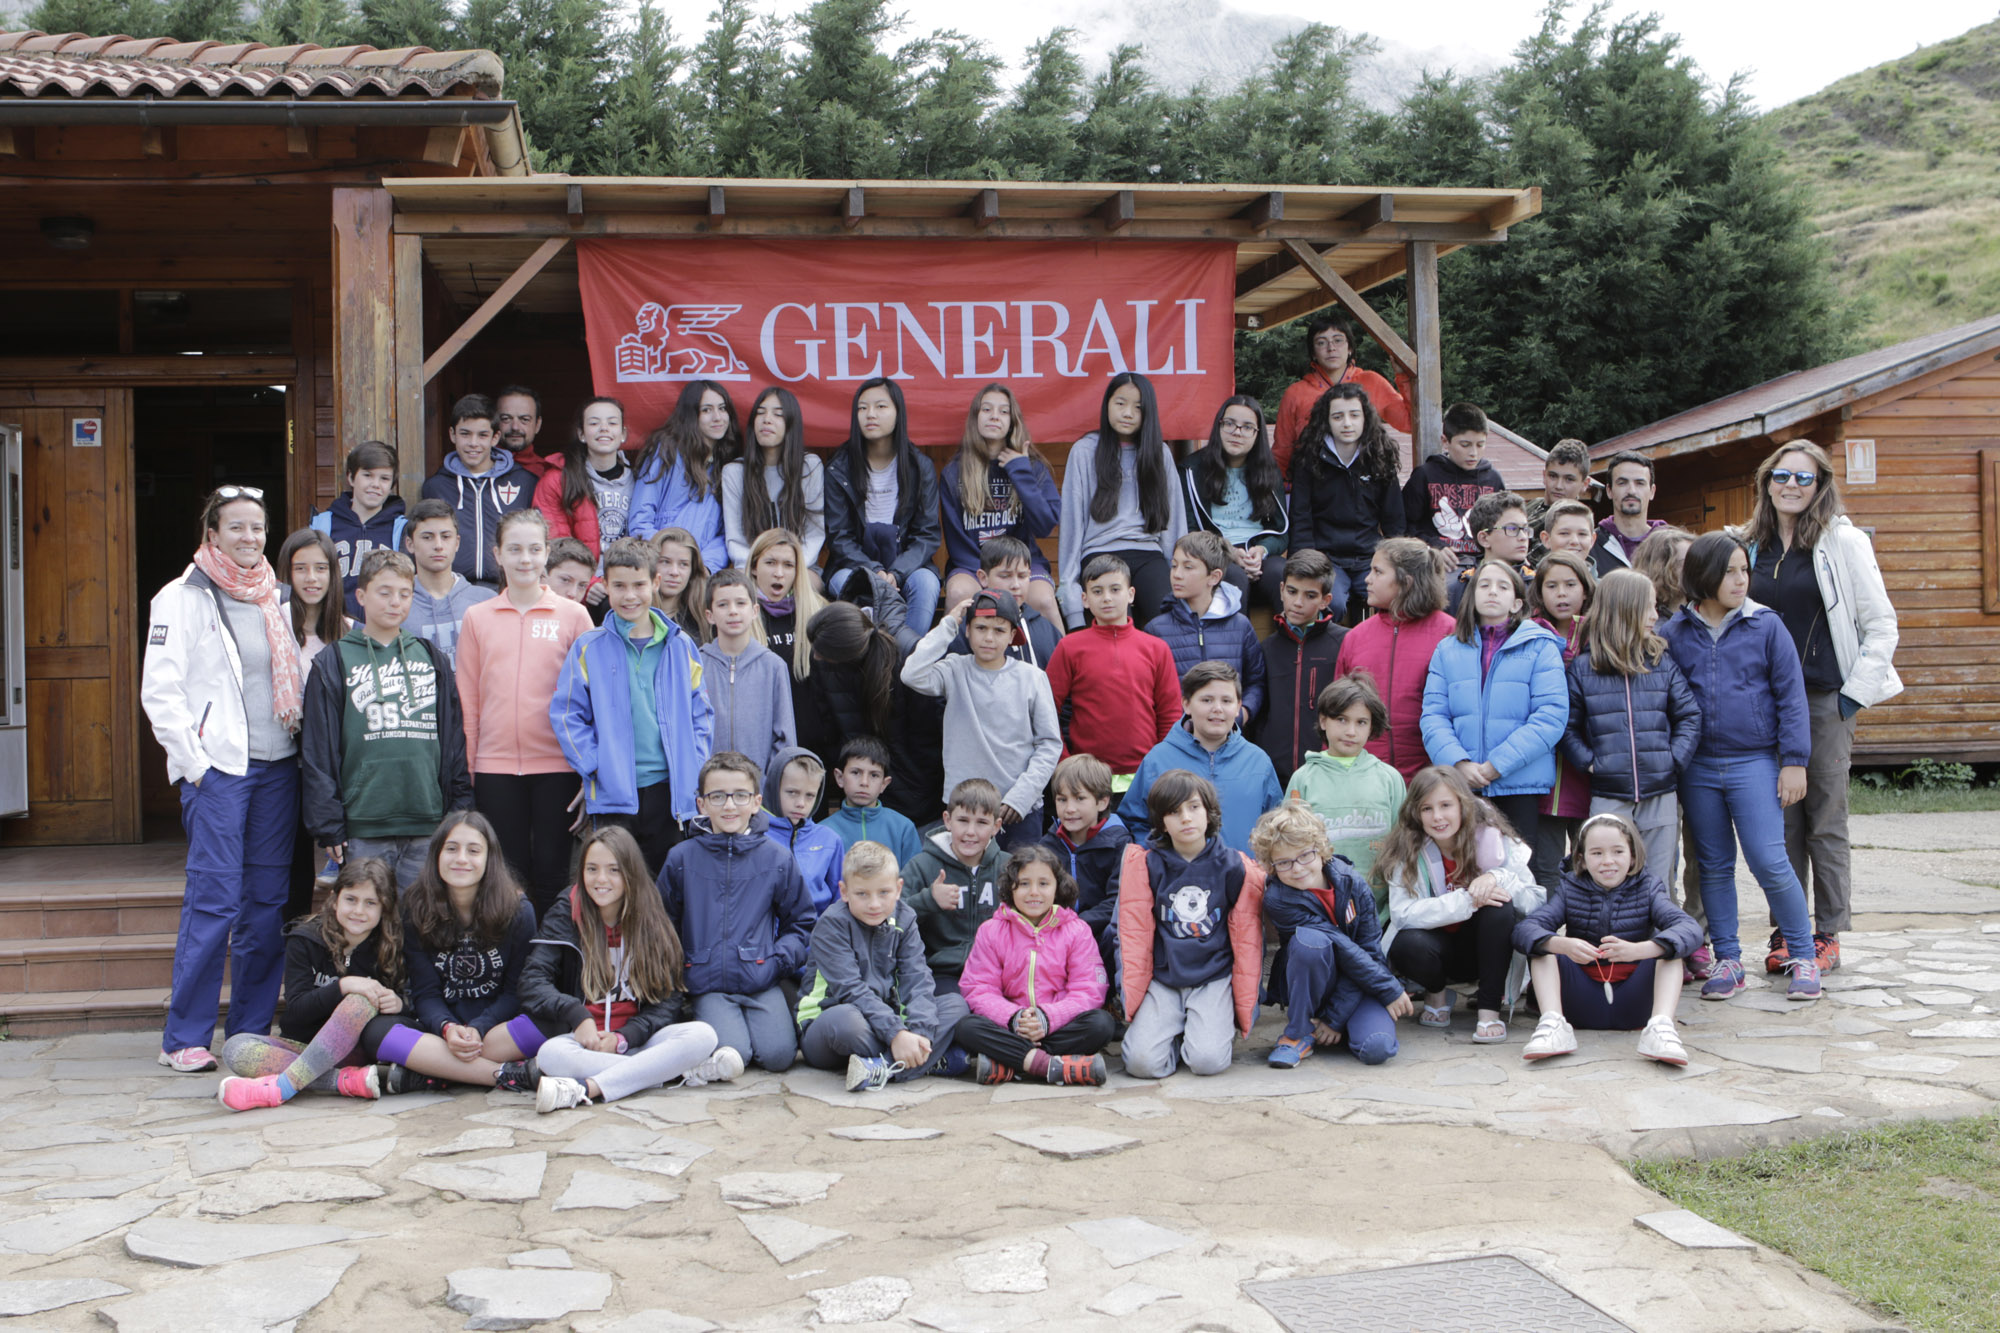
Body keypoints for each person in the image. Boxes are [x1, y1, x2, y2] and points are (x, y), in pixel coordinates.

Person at [142, 484, 305, 1073]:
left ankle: (249, 1032)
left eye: (256, 527)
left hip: (279, 769)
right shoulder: (182, 597)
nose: (249, 537)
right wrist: (196, 765)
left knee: (266, 905)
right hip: (221, 772)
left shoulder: (277, 598)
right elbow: (160, 691)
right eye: (235, 526)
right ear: (211, 533)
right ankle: (184, 1037)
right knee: (213, 901)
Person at [1742, 440, 1901, 976]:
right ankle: (1788, 930)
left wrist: (1851, 696)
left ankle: (1827, 932)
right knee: (1780, 824)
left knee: (1824, 821)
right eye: (1782, 475)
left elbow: (1882, 625)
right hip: (1762, 704)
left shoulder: (1842, 542)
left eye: (1803, 478)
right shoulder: (1750, 545)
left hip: (1822, 699)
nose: (1791, 485)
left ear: (1820, 485)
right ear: (1767, 482)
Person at [1662, 531, 1820, 1003]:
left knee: (1770, 860)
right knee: (1712, 865)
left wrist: (1794, 762)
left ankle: (1804, 956)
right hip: (1697, 768)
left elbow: (1791, 697)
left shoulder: (1766, 626)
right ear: (1703, 575)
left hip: (1755, 761)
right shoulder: (1674, 632)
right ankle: (1728, 960)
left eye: (1743, 570)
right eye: (1728, 571)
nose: (1740, 580)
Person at [522, 825, 741, 1112]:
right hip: (586, 1045)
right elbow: (533, 980)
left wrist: (624, 1038)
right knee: (551, 1054)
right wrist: (576, 1015)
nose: (601, 879)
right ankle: (675, 1072)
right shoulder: (568, 909)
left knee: (703, 1034)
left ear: (631, 873)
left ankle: (586, 1088)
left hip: (638, 1040)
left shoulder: (650, 915)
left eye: (614, 870)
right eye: (592, 869)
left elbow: (669, 999)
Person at [302, 549, 473, 891]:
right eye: (384, 592)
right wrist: (329, 824)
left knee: (420, 917)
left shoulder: (432, 657)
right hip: (363, 825)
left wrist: (457, 811)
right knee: (368, 916)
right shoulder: (333, 661)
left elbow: (454, 740)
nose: (395, 602)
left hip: (427, 821)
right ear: (361, 596)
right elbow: (318, 751)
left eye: (404, 593)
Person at [550, 537, 715, 879]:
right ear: (605, 585)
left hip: (670, 791)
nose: (629, 596)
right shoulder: (588, 647)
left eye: (639, 585)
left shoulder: (681, 645)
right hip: (613, 794)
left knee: (666, 888)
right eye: (619, 586)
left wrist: (694, 765)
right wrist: (594, 765)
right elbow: (567, 714)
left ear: (655, 582)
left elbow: (701, 713)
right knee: (617, 883)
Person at [457, 509, 592, 918]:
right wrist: (471, 768)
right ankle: (511, 955)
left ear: (547, 553)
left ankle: (550, 953)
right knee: (505, 877)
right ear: (497, 554)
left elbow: (592, 701)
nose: (525, 559)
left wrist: (588, 772)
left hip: (557, 768)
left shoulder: (573, 616)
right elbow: (468, 699)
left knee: (553, 874)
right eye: (514, 549)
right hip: (494, 769)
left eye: (534, 549)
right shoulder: (477, 618)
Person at [658, 751, 815, 1072]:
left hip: (760, 978)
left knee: (779, 1057)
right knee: (736, 1054)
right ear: (701, 804)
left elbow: (801, 922)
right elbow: (662, 923)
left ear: (756, 802)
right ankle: (697, 1021)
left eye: (740, 795)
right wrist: (681, 969)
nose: (729, 805)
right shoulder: (681, 858)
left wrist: (776, 961)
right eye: (717, 796)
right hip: (707, 983)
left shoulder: (776, 858)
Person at [216, 856, 409, 1108]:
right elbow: (296, 1011)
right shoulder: (304, 939)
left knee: (359, 1001)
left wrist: (400, 1003)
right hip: (304, 1046)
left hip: (358, 1051)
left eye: (370, 903)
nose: (359, 911)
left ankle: (281, 1088)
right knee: (235, 1047)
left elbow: (418, 1002)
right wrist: (342, 986)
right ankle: (343, 1081)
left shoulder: (395, 943)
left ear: (385, 908)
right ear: (334, 899)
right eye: (351, 899)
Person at [1515, 812, 1700, 1065]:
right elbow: (1525, 929)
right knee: (1542, 947)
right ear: (1581, 858)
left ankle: (1661, 1028)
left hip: (1635, 1002)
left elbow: (1689, 928)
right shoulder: (1569, 887)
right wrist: (1562, 944)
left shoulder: (1649, 886)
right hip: (1580, 1000)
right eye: (1597, 853)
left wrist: (1641, 950)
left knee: (1670, 951)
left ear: (1632, 855)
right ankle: (1554, 1024)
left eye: (1618, 852)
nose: (1607, 861)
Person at [1115, 770, 1266, 1077]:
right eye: (1174, 812)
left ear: (1209, 813)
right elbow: (1131, 930)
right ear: (1161, 822)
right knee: (1141, 1064)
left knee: (1207, 1061)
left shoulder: (1233, 866)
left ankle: (1206, 1031)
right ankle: (1174, 1036)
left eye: (1194, 807)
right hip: (1164, 978)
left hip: (1213, 977)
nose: (1186, 818)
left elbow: (1248, 928)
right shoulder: (1148, 864)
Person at [1378, 765, 1543, 1043]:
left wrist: (1498, 877)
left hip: (1486, 952)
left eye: (1446, 805)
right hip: (1437, 950)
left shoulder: (1492, 838)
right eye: (1427, 808)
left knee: (1498, 907)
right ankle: (1437, 993)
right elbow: (1402, 913)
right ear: (1415, 812)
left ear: (1463, 805)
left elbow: (1535, 900)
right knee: (1407, 943)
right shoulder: (1408, 847)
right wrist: (1467, 899)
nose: (1437, 816)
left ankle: (1489, 1011)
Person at [1562, 569, 1701, 890]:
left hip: (1660, 793)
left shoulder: (1661, 661)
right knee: (1607, 881)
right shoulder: (1583, 668)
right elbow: (1567, 727)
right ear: (1624, 609)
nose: (1655, 615)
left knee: (1658, 883)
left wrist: (1672, 760)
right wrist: (1590, 763)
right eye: (1648, 606)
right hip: (1608, 795)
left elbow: (1690, 715)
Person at [796, 841, 970, 1093]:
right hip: (830, 1023)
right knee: (847, 1021)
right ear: (844, 891)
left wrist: (919, 1031)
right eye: (862, 894)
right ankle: (924, 1059)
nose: (874, 904)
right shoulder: (831, 925)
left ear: (898, 889)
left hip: (887, 1019)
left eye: (884, 892)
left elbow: (917, 980)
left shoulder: (905, 918)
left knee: (955, 1004)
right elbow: (851, 990)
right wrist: (897, 1034)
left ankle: (882, 1067)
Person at [1420, 558, 1568, 852]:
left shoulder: (1541, 647)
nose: (1492, 591)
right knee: (1463, 865)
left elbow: (1551, 715)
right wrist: (1458, 763)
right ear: (1472, 596)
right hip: (1462, 784)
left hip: (1518, 783)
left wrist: (1497, 765)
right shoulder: (1447, 649)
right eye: (1484, 585)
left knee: (1515, 869)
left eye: (1502, 587)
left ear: (1516, 603)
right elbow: (1434, 715)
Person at [1252, 800, 1410, 1068]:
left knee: (1377, 1048)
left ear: (1320, 849)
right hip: (1314, 981)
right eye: (1284, 862)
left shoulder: (1352, 882)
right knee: (1312, 942)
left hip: (1358, 983)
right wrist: (1388, 987)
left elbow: (1369, 952)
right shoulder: (1279, 898)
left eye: (1305, 855)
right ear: (1271, 866)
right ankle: (1299, 1032)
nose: (1297, 868)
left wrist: (1335, 1018)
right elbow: (1337, 944)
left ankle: (1340, 1026)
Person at [903, 591, 1063, 848]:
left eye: (999, 630)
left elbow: (1049, 744)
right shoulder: (954, 669)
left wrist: (1021, 797)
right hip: (965, 808)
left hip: (1017, 810)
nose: (989, 637)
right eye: (980, 628)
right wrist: (948, 624)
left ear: (1012, 635)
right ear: (967, 630)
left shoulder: (1032, 677)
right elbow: (912, 674)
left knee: (1019, 872)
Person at [397, 811, 545, 1086]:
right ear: (436, 854)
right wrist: (448, 1027)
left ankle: (434, 1069)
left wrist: (479, 1027)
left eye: (474, 850)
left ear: (490, 858)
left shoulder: (518, 911)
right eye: (451, 849)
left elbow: (516, 992)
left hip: (498, 1031)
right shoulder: (416, 907)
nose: (462, 859)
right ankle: (505, 1073)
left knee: (552, 1024)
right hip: (440, 1031)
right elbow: (425, 992)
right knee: (380, 1032)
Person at [954, 845, 1114, 1086]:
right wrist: (1015, 1018)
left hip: (1057, 1026)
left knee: (1101, 1024)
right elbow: (979, 988)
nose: (1034, 892)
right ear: (1010, 887)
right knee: (967, 1027)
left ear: (1058, 886)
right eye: (1024, 884)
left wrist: (1046, 1018)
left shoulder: (1077, 930)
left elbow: (1089, 990)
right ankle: (1052, 1065)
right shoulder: (991, 931)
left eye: (1043, 883)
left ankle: (1012, 1064)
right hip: (1011, 1027)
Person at [1056, 372, 1189, 629]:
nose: (1128, 413)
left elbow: (1173, 525)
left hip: (1148, 553)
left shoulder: (1160, 453)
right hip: (1099, 552)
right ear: (1107, 405)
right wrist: (1071, 603)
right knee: (1114, 624)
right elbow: (1072, 527)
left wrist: (1179, 573)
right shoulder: (1084, 451)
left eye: (1138, 407)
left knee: (1170, 621)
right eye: (1120, 403)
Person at [801, 599, 945, 828]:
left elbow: (926, 737)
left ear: (845, 651)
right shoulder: (824, 660)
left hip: (913, 786)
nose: (816, 656)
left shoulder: (905, 659)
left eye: (822, 651)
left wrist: (915, 787)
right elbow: (827, 724)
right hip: (860, 783)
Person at [1120, 662, 1285, 854]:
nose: (1217, 708)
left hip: (1244, 872)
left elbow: (1275, 825)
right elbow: (1135, 822)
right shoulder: (1157, 760)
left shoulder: (1258, 762)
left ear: (1238, 706)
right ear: (1186, 704)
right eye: (1207, 700)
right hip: (1176, 872)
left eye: (1226, 701)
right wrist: (1159, 859)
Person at [1044, 554, 1182, 782]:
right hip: (1087, 780)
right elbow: (1046, 710)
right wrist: (1065, 764)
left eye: (1115, 589)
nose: (1107, 598)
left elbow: (1170, 714)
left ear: (1131, 594)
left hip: (1145, 776)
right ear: (1085, 599)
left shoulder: (1156, 649)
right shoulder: (1069, 647)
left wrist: (1162, 766)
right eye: (1097, 591)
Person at [1332, 536, 1459, 779]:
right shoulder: (1355, 637)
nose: (1367, 579)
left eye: (1378, 571)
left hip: (1431, 781)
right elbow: (1338, 709)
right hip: (1366, 778)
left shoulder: (1449, 632)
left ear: (1406, 581)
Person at [823, 377, 942, 628]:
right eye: (862, 408)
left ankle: (912, 651)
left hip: (907, 566)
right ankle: (865, 651)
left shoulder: (919, 467)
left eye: (881, 406)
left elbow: (927, 534)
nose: (870, 414)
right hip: (853, 566)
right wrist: (873, 571)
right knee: (845, 582)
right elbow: (839, 536)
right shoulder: (839, 468)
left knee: (926, 583)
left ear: (898, 413)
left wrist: (896, 572)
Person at [940, 383, 1062, 627]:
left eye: (1003, 411)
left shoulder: (1032, 467)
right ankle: (947, 652)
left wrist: (1020, 472)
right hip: (973, 566)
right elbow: (957, 542)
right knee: (958, 593)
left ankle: (1064, 654)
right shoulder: (954, 472)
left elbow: (1044, 526)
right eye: (986, 409)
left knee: (1044, 600)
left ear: (1013, 421)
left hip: (1023, 566)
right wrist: (993, 576)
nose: (994, 416)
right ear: (975, 418)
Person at [1284, 674, 1406, 917]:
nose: (1351, 731)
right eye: (1341, 719)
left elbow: (1404, 845)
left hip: (1380, 912)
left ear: (1371, 727)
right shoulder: (1303, 779)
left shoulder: (1389, 778)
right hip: (1319, 911)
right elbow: (1290, 846)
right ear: (1323, 721)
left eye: (1361, 722)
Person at [277, 525, 350, 917]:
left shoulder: (349, 632)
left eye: (321, 568)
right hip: (283, 762)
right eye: (300, 568)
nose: (311, 578)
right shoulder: (273, 631)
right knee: (291, 868)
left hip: (336, 766)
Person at [1287, 383, 1405, 615]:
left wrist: (1396, 562)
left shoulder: (1380, 456)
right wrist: (1305, 565)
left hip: (1370, 557)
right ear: (1327, 420)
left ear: (1365, 418)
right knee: (1331, 604)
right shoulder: (1309, 459)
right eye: (1338, 416)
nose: (1347, 423)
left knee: (1393, 600)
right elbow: (1301, 518)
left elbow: (1394, 520)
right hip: (1326, 558)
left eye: (1354, 415)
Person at [1144, 531, 1268, 728]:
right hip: (1178, 738)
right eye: (1174, 565)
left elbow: (1256, 681)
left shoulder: (1241, 626)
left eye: (1188, 567)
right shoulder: (1156, 630)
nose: (1177, 574)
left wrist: (1242, 715)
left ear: (1214, 577)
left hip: (1229, 737)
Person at [900, 778, 1010, 996]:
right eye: (963, 820)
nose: (970, 831)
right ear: (947, 820)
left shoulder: (1009, 867)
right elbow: (890, 917)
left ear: (996, 826)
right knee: (956, 1009)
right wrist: (929, 900)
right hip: (941, 973)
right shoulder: (922, 865)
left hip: (1000, 972)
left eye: (981, 822)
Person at [1271, 313, 1413, 476]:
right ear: (1313, 353)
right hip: (1313, 482)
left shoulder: (1372, 382)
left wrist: (1404, 378)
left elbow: (1410, 423)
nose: (1331, 348)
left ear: (1350, 347)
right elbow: (1282, 452)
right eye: (1321, 342)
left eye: (1338, 340)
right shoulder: (1295, 393)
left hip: (1364, 480)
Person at [1182, 395, 1288, 609]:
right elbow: (1190, 529)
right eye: (1230, 424)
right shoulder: (1193, 469)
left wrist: (1262, 550)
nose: (1237, 432)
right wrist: (1227, 551)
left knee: (1282, 574)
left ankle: (1290, 631)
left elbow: (1281, 531)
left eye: (1247, 427)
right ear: (1219, 426)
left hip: (1256, 550)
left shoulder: (1268, 470)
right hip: (1215, 551)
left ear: (1257, 434)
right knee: (1233, 577)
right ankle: (1239, 633)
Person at [1529, 550, 1595, 890]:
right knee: (1546, 869)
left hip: (1590, 769)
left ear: (1586, 589)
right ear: (1539, 592)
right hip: (1543, 774)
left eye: (1570, 585)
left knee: (1593, 866)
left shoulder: (1600, 634)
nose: (1562, 594)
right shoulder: (1527, 634)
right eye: (1552, 586)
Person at [421, 393, 536, 589]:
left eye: (482, 435)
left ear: (495, 437)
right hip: (453, 589)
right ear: (452, 434)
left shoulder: (524, 482)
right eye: (465, 434)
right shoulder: (436, 486)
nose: (473, 443)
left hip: (509, 588)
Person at [1252, 548, 1348, 781]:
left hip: (1327, 773)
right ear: (1281, 590)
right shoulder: (1267, 648)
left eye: (1310, 595)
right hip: (1274, 774)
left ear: (1325, 600)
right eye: (1292, 591)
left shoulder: (1344, 643)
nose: (1298, 602)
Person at [699, 568, 795, 780]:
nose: (733, 611)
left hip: (758, 791)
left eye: (740, 603)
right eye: (723, 604)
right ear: (709, 615)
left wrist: (770, 785)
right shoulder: (698, 664)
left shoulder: (773, 666)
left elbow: (785, 737)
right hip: (709, 788)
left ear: (754, 611)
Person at [628, 379, 734, 570]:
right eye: (706, 410)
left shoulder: (728, 462)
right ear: (691, 415)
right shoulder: (665, 452)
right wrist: (672, 559)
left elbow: (726, 534)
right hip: (661, 566)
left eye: (722, 408)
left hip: (701, 572)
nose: (717, 417)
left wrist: (705, 567)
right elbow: (640, 521)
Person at [722, 386, 827, 576]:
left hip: (800, 568)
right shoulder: (734, 472)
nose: (767, 419)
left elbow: (814, 534)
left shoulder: (810, 466)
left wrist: (789, 568)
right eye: (760, 413)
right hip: (751, 568)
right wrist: (759, 570)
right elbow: (735, 539)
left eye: (778, 414)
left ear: (791, 423)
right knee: (739, 587)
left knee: (810, 586)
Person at [1041, 753, 1133, 967]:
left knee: (1116, 932)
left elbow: (1117, 900)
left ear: (1102, 802)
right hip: (1057, 935)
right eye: (1062, 799)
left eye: (1079, 798)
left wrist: (1077, 925)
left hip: (1099, 935)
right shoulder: (1047, 845)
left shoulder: (1119, 843)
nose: (1069, 809)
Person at [533, 396, 635, 573]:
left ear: (623, 434)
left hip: (632, 576)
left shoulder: (642, 479)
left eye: (612, 423)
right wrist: (589, 582)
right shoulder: (557, 480)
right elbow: (558, 544)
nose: (604, 428)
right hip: (582, 579)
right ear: (581, 434)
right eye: (594, 423)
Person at [312, 440, 406, 616]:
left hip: (383, 625)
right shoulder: (323, 524)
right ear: (351, 477)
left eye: (384, 478)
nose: (375, 484)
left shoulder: (402, 529)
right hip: (334, 625)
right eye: (368, 475)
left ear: (392, 484)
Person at [1403, 403, 1504, 565]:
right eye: (1465, 445)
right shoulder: (1425, 475)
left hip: (1484, 564)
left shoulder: (1493, 479)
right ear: (1445, 441)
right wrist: (1433, 547)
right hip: (1438, 564)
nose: (1473, 453)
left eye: (1480, 445)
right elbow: (1405, 526)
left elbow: (1504, 526)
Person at [403, 497, 496, 668]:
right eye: (427, 537)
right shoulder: (398, 605)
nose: (438, 545)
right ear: (410, 544)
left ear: (457, 543)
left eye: (446, 536)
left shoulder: (487, 600)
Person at [944, 536, 1062, 668]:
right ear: (983, 578)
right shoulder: (968, 630)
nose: (1016, 585)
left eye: (1022, 576)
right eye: (1005, 576)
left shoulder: (1047, 630)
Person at [747, 526, 827, 709]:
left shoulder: (819, 611)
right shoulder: (738, 616)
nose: (779, 573)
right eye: (770, 563)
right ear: (754, 567)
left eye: (788, 565)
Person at [764, 746, 843, 914]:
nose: (801, 803)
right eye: (792, 792)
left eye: (810, 795)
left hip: (819, 929)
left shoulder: (830, 840)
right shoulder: (754, 835)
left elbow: (840, 902)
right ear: (773, 788)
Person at [820, 736, 923, 867]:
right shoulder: (824, 831)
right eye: (856, 772)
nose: (864, 782)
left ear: (884, 784)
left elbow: (914, 878)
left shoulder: (903, 828)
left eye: (874, 775)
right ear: (840, 778)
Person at [1446, 490, 1533, 615]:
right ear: (1484, 539)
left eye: (1525, 529)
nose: (1523, 537)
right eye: (1512, 529)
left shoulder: (1536, 584)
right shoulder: (1460, 588)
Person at [1590, 450, 1665, 576]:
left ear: (1652, 491)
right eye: (1622, 483)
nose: (1631, 491)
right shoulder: (1590, 545)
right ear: (1609, 490)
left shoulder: (1671, 546)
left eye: (1640, 483)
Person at [1525, 439, 1594, 564]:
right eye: (1553, 476)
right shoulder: (1531, 506)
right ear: (1544, 476)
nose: (1559, 486)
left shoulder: (1579, 522)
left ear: (1585, 484)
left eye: (1569, 479)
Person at [651, 527, 711, 645]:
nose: (674, 572)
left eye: (683, 564)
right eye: (665, 562)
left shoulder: (704, 619)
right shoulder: (634, 613)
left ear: (692, 570)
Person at [1632, 525, 1695, 620]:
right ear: (1661, 568)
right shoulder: (1646, 621)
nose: (1696, 568)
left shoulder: (1703, 613)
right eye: (1687, 562)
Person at [495, 385, 556, 480]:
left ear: (537, 424)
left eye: (524, 419)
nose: (515, 427)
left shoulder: (546, 473)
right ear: (494, 422)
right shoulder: (479, 467)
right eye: (506, 419)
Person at [545, 538, 597, 608]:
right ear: (543, 575)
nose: (573, 594)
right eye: (565, 580)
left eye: (582, 586)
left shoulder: (582, 614)